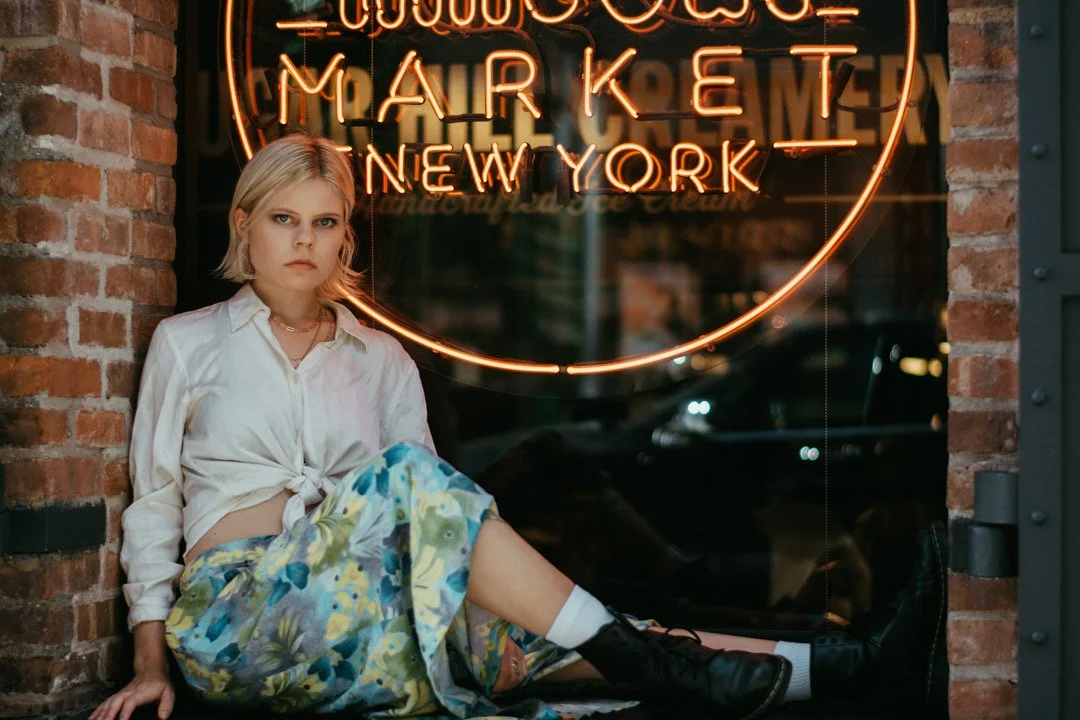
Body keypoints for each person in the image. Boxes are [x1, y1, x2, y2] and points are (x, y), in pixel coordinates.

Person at [91, 134, 944, 720]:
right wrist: (151, 663)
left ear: (346, 233)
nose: (304, 240)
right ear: (245, 225)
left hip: (367, 622)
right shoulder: (188, 343)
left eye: (324, 221)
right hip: (238, 626)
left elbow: (434, 536)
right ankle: (644, 655)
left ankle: (847, 667)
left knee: (521, 631)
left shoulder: (380, 359)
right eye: (283, 219)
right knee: (420, 488)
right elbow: (154, 510)